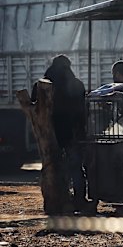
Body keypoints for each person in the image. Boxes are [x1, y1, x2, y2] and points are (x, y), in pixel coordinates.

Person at [32, 55, 87, 211]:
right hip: (71, 133)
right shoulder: (77, 85)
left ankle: (57, 200)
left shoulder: (42, 86)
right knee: (75, 168)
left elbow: (35, 111)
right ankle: (79, 199)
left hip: (51, 133)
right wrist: (81, 130)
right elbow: (82, 112)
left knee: (53, 167)